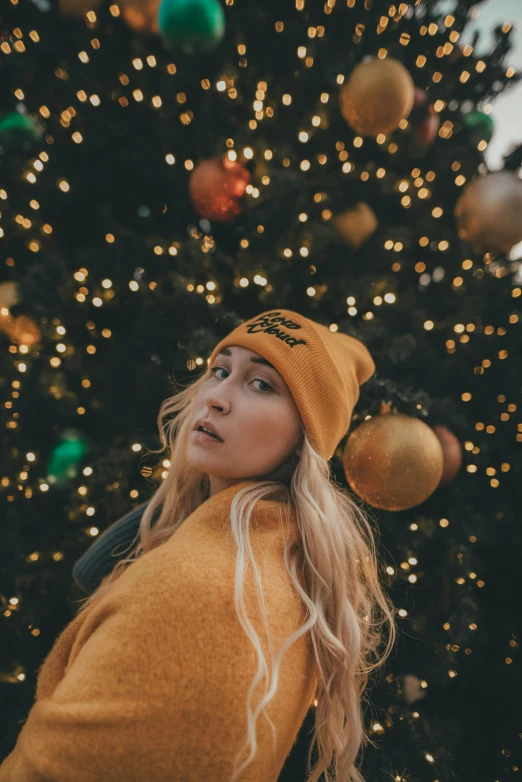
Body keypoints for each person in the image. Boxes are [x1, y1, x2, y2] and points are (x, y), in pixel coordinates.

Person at [0, 309, 397, 782]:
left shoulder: (203, 588)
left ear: (303, 441)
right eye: (221, 370)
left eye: (262, 385)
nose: (217, 397)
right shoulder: (274, 555)